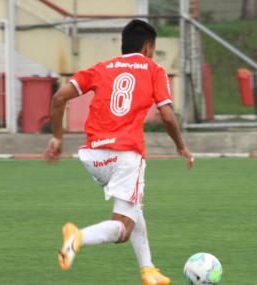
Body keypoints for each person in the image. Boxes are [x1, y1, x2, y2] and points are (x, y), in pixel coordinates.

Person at [43, 19, 194, 285]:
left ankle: (148, 270)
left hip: (94, 156)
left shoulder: (101, 68)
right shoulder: (153, 69)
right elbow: (167, 116)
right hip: (126, 155)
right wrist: (180, 145)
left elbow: (58, 98)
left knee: (135, 205)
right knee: (123, 228)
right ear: (148, 48)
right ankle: (78, 237)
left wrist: (57, 137)